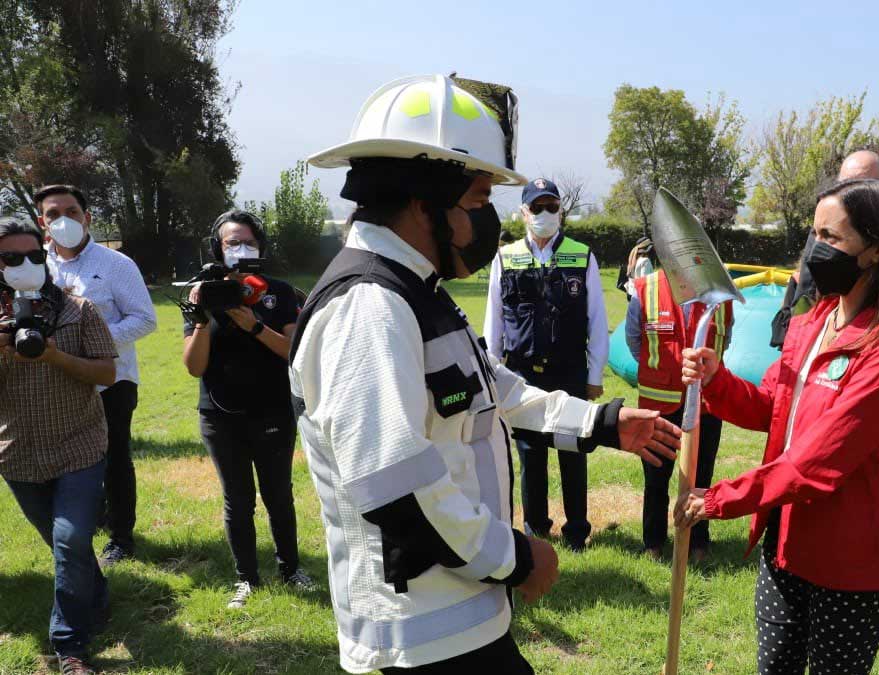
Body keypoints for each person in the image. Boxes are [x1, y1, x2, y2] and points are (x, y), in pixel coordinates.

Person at [292, 74, 680, 674]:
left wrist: (601, 422)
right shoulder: (368, 307)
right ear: (425, 201)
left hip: (464, 620)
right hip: (417, 643)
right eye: (477, 202)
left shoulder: (416, 291)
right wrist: (520, 557)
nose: (489, 221)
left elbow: (495, 391)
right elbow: (396, 489)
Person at [675, 179, 879, 675]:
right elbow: (773, 405)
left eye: (832, 238)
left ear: (876, 251)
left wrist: (718, 498)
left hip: (852, 564)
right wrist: (715, 379)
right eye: (814, 234)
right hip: (786, 547)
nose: (815, 249)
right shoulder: (813, 321)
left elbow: (819, 463)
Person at [0, 217, 117, 675]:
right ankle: (99, 596)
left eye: (33, 256)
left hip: (80, 445)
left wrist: (54, 355)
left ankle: (68, 647)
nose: (25, 264)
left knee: (69, 541)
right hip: (18, 452)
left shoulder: (78, 310)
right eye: (11, 258)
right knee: (66, 544)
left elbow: (106, 373)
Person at [181, 209, 314, 609]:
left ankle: (291, 569)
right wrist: (202, 320)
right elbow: (193, 367)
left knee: (278, 494)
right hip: (219, 415)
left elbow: (295, 353)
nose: (240, 249)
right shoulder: (202, 292)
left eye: (248, 241)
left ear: (261, 246)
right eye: (231, 243)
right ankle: (246, 579)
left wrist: (254, 324)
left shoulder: (280, 292)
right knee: (237, 499)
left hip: (273, 410)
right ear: (217, 250)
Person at [483, 177, 609, 551]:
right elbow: (494, 323)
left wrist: (594, 375)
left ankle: (576, 533)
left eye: (551, 206)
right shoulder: (504, 258)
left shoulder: (581, 255)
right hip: (522, 375)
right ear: (523, 213)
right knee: (530, 456)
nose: (544, 214)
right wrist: (493, 372)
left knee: (573, 451)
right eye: (536, 207)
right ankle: (536, 529)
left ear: (561, 211)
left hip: (569, 372)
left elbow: (598, 320)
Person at [36, 184, 158, 567]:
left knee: (113, 458)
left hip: (111, 380)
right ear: (43, 223)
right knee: (71, 458)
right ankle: (90, 525)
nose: (63, 220)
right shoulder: (37, 266)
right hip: (58, 380)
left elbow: (144, 319)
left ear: (87, 217)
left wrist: (94, 344)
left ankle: (122, 537)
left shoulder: (115, 265)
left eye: (71, 212)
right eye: (53, 214)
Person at [785, 151, 879, 356]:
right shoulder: (822, 227)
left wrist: (869, 345)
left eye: (861, 183)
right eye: (844, 184)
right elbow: (805, 293)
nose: (850, 192)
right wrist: (800, 339)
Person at [626, 268, 732, 562]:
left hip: (706, 405)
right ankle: (654, 544)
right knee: (656, 477)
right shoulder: (645, 289)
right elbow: (635, 340)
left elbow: (726, 340)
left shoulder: (721, 294)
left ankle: (698, 544)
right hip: (659, 403)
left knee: (702, 476)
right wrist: (662, 373)